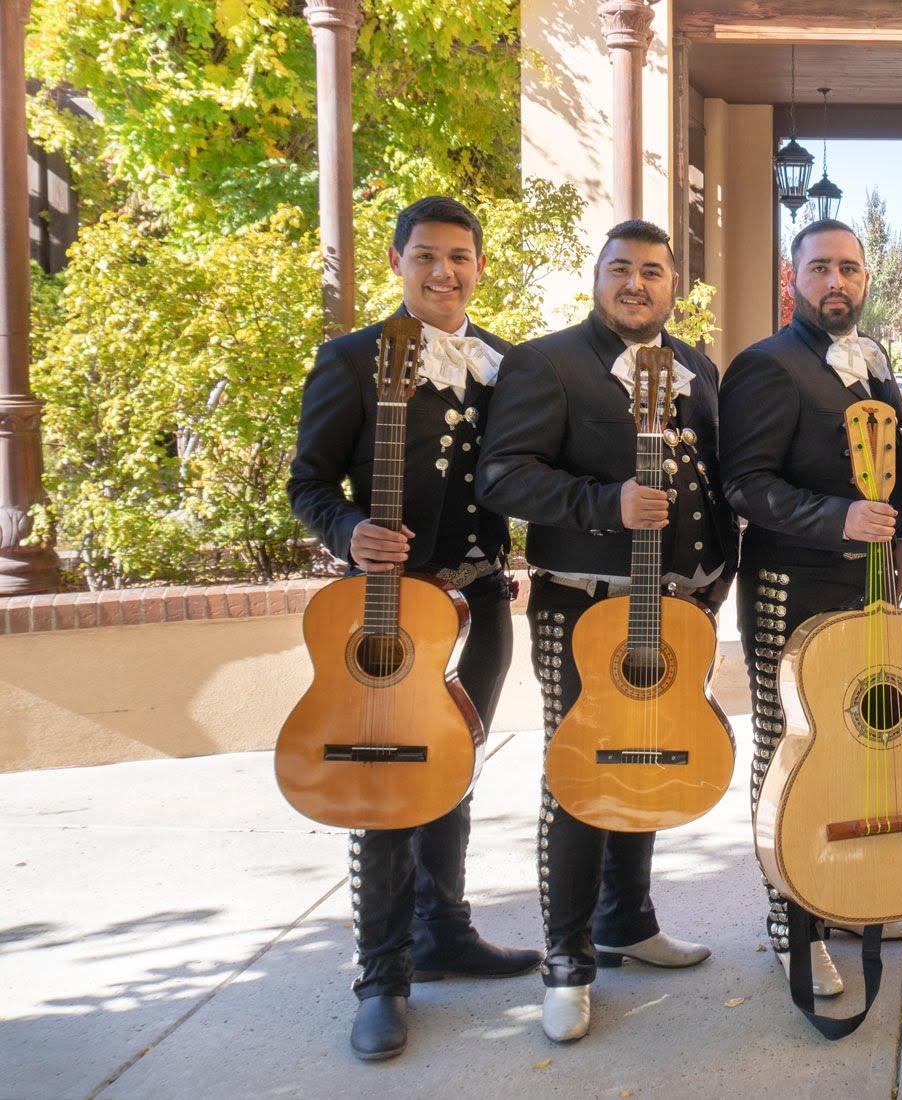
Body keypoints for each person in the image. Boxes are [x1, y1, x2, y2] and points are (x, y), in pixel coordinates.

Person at [287, 194, 540, 1061]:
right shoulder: (352, 359)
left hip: (481, 607)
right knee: (387, 784)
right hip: (393, 615)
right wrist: (347, 531)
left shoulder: (507, 360)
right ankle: (381, 974)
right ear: (397, 261)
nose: (445, 272)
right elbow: (309, 483)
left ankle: (445, 931)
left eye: (460, 256)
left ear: (478, 264)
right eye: (426, 255)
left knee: (453, 769)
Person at [476, 219, 736, 1042]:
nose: (636, 284)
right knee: (580, 774)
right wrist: (603, 503)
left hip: (679, 607)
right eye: (620, 269)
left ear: (673, 285)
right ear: (597, 277)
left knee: (650, 756)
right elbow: (502, 476)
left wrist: (718, 576)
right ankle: (567, 960)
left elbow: (717, 475)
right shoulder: (545, 361)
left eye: (653, 272)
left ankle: (629, 921)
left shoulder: (696, 365)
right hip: (583, 602)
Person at [719, 218, 902, 999]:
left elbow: (891, 470)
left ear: (866, 278)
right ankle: (788, 922)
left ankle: (838, 901)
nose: (835, 282)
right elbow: (744, 482)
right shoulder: (765, 366)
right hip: (791, 585)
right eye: (819, 269)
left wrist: (901, 537)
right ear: (792, 276)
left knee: (855, 745)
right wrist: (834, 519)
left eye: (848, 268)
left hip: (868, 583)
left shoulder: (873, 359)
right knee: (788, 749)